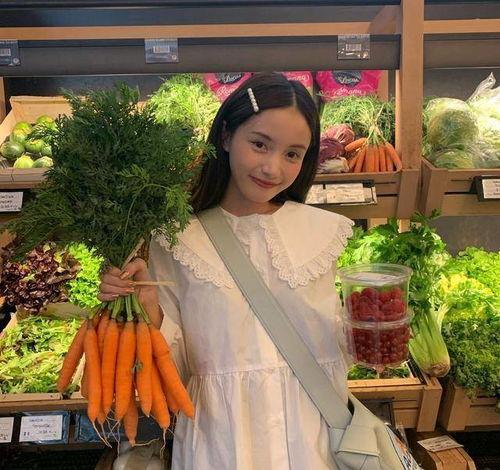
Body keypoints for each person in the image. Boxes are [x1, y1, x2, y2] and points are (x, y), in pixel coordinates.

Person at [98, 72, 354, 470]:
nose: (272, 167)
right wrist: (146, 309)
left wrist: (370, 332)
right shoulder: (177, 239)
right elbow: (174, 367)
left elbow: (334, 352)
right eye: (259, 144)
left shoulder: (322, 233)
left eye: (292, 154)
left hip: (313, 439)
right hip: (220, 443)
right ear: (226, 136)